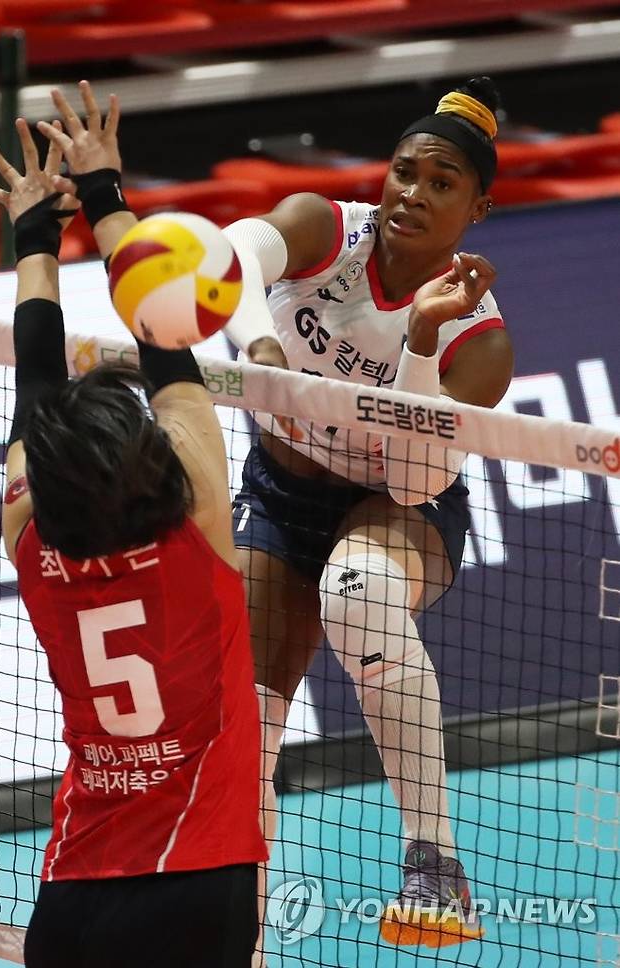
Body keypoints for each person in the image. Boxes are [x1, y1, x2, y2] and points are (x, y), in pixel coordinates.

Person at [220, 76, 514, 953]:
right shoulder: (326, 230)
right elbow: (233, 251)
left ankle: (435, 863)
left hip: (397, 508)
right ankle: (242, 944)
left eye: (441, 183)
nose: (412, 193)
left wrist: (419, 339)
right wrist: (261, 348)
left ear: (477, 209)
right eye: (404, 171)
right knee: (240, 736)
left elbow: (419, 480)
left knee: (358, 593)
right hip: (279, 500)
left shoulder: (480, 341)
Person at [0, 83, 266, 968]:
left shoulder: (29, 537)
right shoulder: (200, 524)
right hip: (201, 882)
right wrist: (103, 194)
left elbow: (34, 383)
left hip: (73, 898)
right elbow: (164, 332)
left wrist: (34, 238)